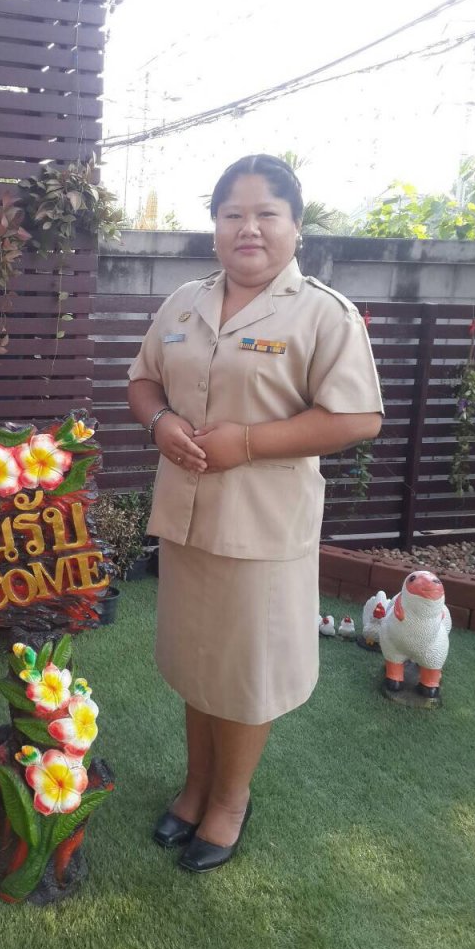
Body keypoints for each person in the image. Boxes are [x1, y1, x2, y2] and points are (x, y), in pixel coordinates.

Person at [127, 154, 383, 873]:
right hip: (187, 519)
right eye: (232, 214)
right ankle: (195, 786)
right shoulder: (183, 304)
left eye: (266, 213)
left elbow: (358, 417)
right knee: (196, 661)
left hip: (261, 529)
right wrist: (159, 425)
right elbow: (143, 381)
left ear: (296, 227)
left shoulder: (323, 314)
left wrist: (246, 442)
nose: (248, 228)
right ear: (214, 227)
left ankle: (230, 800)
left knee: (244, 673)